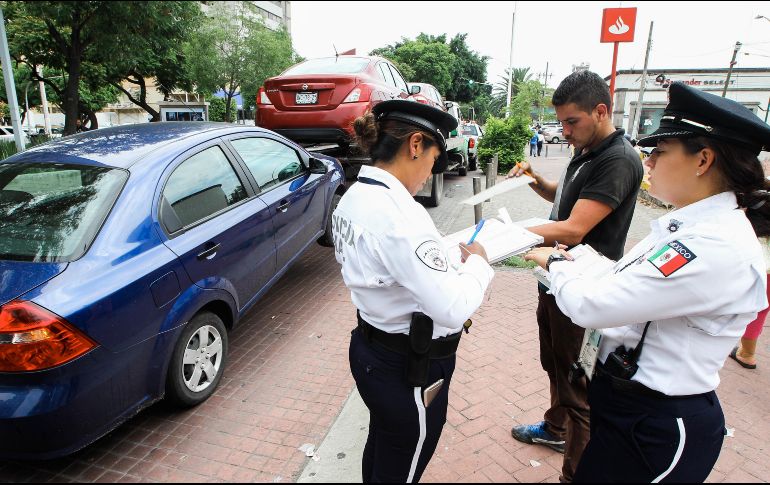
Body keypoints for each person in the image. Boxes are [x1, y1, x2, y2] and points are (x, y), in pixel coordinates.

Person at [524, 81, 770, 482]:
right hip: (628, 408)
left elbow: (594, 306)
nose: (649, 161)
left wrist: (556, 262)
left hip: (656, 421)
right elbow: (620, 276)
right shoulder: (684, 227)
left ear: (703, 159)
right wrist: (576, 259)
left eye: (660, 151)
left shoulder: (713, 245)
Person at [332, 99, 495, 483]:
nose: (431, 172)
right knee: (402, 463)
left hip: (372, 348)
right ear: (416, 144)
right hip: (410, 368)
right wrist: (480, 265)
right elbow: (453, 307)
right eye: (435, 159)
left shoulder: (355, 196)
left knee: (384, 447)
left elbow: (392, 268)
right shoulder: (400, 215)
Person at [506, 70, 643, 483]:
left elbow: (573, 228)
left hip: (583, 289)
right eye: (561, 122)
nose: (564, 132)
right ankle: (554, 429)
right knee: (555, 365)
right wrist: (535, 180)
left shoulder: (617, 159)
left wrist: (508, 234)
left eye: (572, 122)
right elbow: (565, 202)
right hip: (556, 280)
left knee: (578, 388)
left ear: (601, 111)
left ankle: (574, 475)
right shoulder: (586, 150)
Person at [730, 235, 770, 369]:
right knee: (762, 310)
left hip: (762, 265)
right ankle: (746, 353)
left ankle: (746, 354)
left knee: (756, 309)